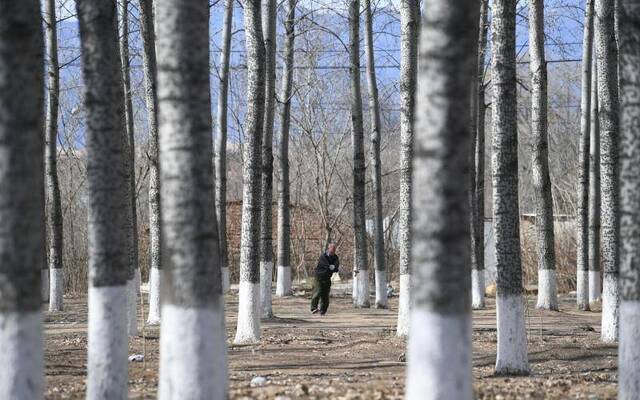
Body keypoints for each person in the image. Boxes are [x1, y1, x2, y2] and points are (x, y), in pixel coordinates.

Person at [310, 242, 340, 315]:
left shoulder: (335, 257)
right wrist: (332, 267)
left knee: (325, 295)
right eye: (332, 250)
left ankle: (323, 310)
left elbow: (336, 268)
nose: (333, 251)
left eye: (334, 250)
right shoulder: (323, 256)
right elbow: (327, 266)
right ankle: (313, 308)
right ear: (328, 248)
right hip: (319, 277)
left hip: (327, 278)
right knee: (317, 292)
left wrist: (334, 267)